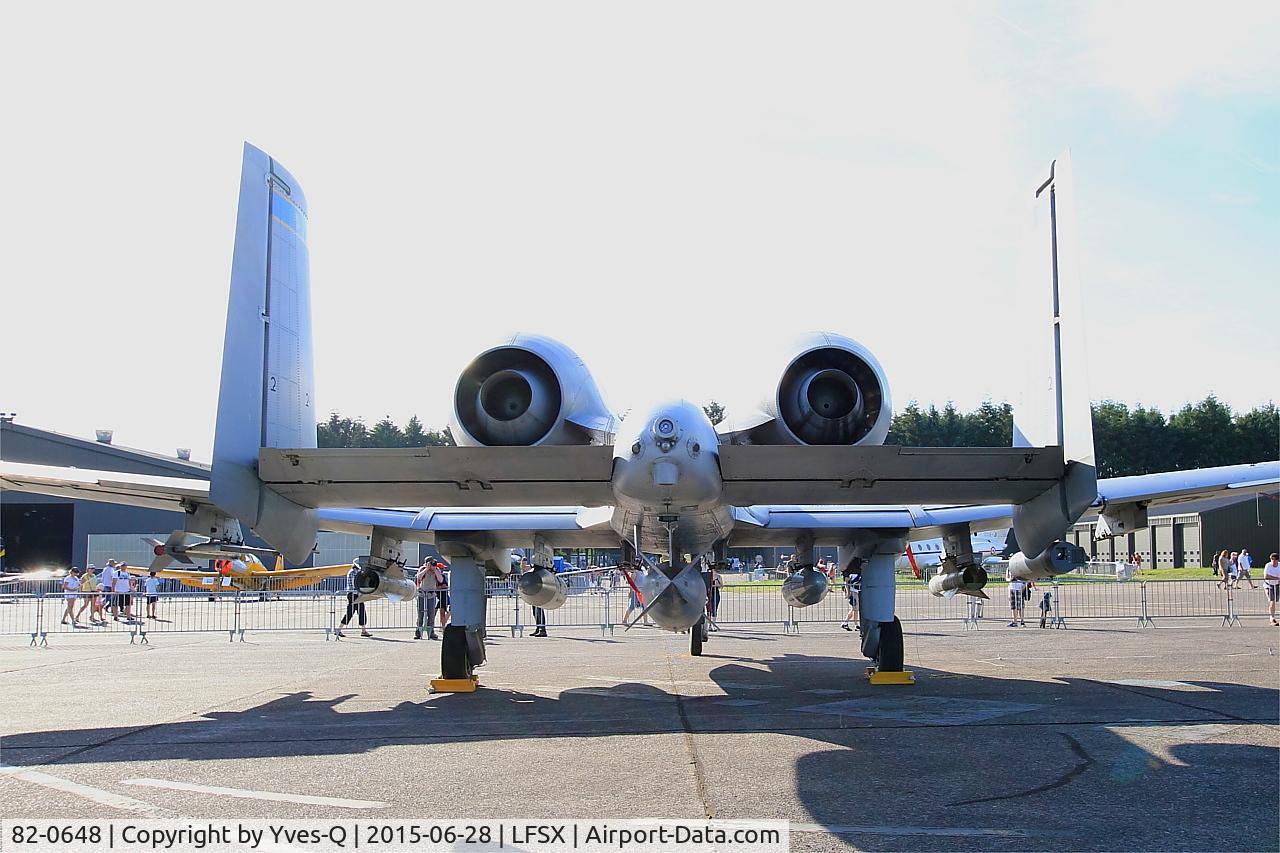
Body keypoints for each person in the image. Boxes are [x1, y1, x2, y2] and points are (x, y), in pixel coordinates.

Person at [336, 562, 371, 637]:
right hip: (354, 594)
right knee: (351, 612)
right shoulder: (353, 572)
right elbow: (355, 583)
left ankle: (363, 630)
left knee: (360, 611)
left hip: (355, 594)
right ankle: (338, 630)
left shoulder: (354, 572)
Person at [414, 558, 440, 640]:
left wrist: (435, 570)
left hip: (431, 595)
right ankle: (418, 632)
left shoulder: (436, 570)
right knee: (420, 614)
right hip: (422, 594)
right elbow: (419, 577)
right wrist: (426, 569)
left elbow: (440, 579)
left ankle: (431, 632)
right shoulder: (422, 569)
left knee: (431, 615)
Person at [521, 558, 547, 637]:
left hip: (539, 591)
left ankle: (542, 629)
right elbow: (527, 568)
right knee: (535, 611)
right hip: (535, 591)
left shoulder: (541, 569)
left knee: (539, 610)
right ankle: (538, 627)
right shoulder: (536, 569)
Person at [840, 564, 861, 633]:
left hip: (857, 592)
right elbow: (846, 582)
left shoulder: (858, 571)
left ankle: (845, 623)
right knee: (855, 609)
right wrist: (848, 592)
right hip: (853, 592)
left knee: (854, 609)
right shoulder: (849, 572)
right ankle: (856, 624)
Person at [1263, 553, 1280, 626]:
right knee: (1272, 601)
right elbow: (1266, 576)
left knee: (1276, 600)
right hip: (1268, 585)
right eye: (1271, 559)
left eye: (1274, 559)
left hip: (1277, 585)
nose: (1272, 561)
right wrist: (1277, 578)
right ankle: (1272, 618)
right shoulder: (1268, 565)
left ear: (1277, 560)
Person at [434, 560, 451, 629]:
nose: (443, 570)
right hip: (436, 596)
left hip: (444, 596)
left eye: (443, 569)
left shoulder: (443, 576)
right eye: (441, 568)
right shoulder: (434, 576)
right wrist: (439, 587)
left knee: (443, 612)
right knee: (433, 612)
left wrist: (441, 587)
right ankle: (430, 626)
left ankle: (443, 626)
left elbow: (446, 586)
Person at [706, 561, 722, 629]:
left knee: (714, 609)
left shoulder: (718, 576)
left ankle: (713, 624)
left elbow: (721, 585)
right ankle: (709, 625)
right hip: (709, 593)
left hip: (715, 593)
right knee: (709, 609)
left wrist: (716, 583)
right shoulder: (707, 576)